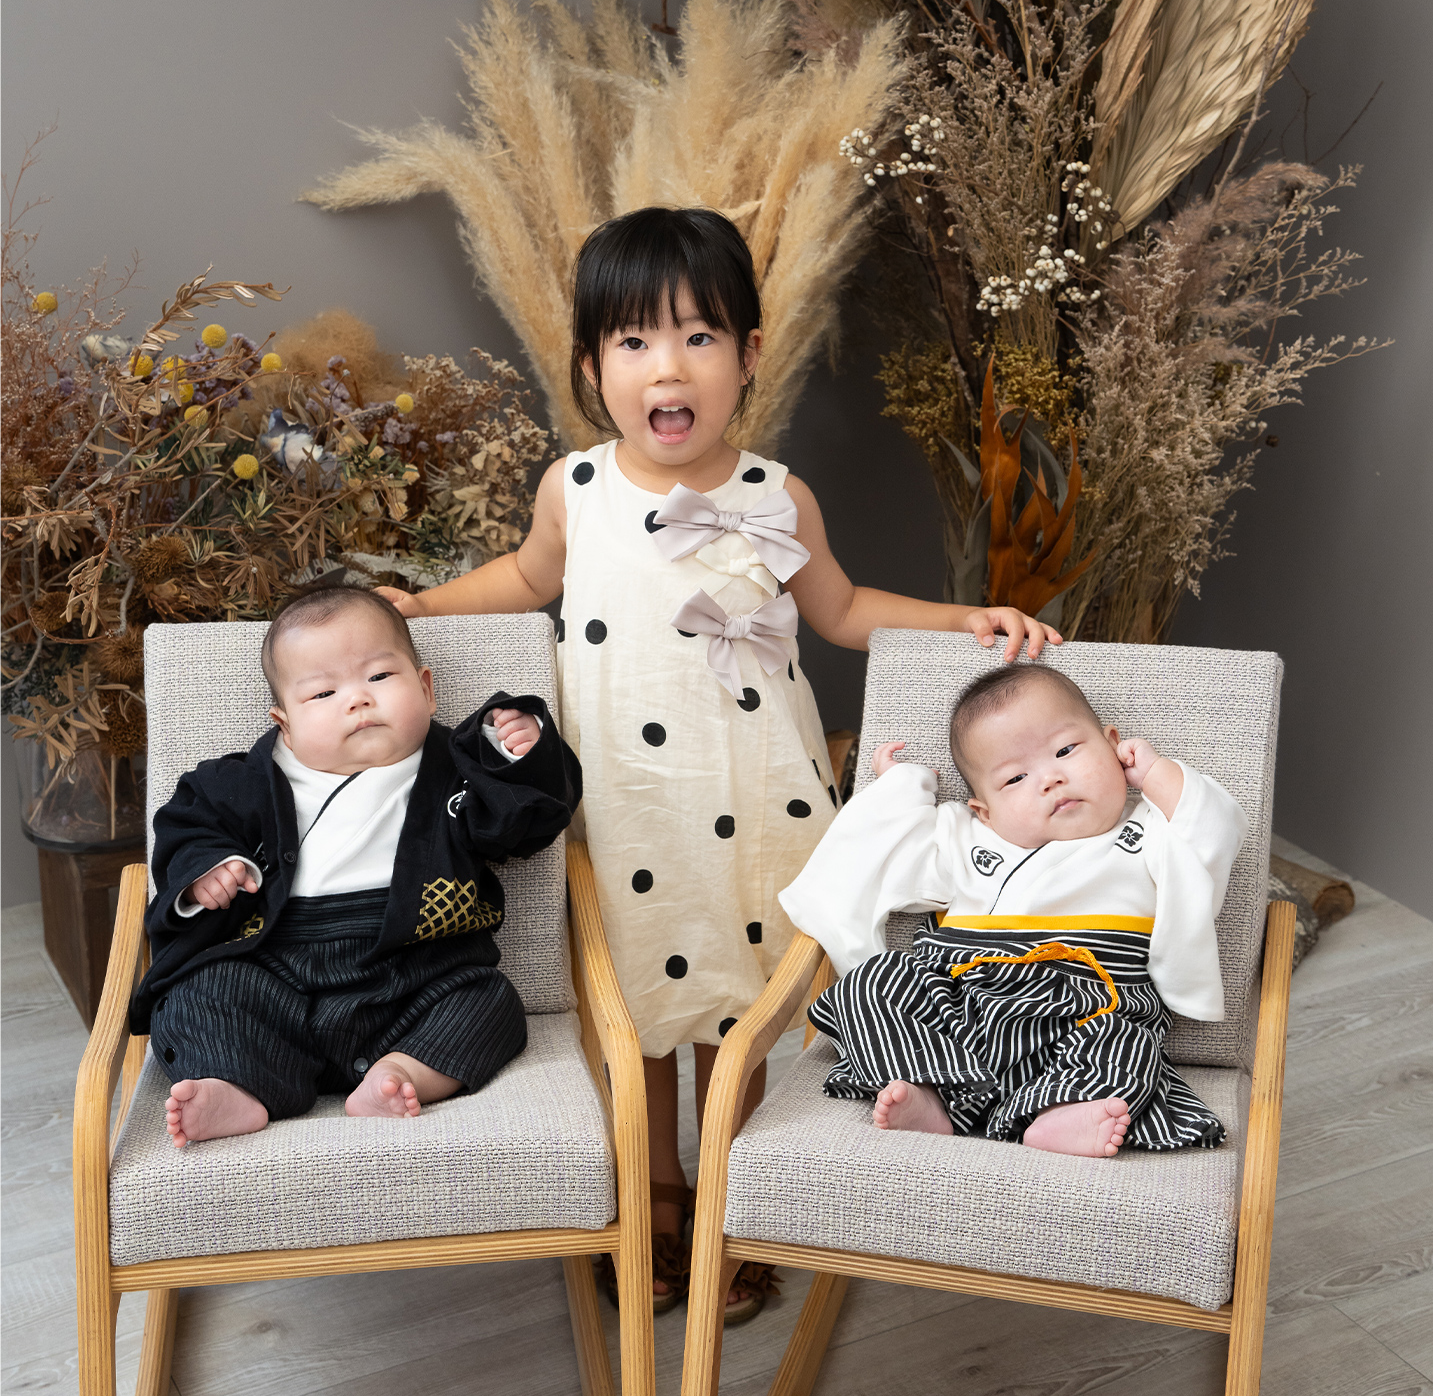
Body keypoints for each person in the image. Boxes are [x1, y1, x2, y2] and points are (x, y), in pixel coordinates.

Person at [376, 204, 1058, 1315]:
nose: (667, 366)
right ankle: (652, 1195)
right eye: (634, 341)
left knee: (737, 1004)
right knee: (642, 1000)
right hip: (626, 801)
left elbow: (840, 609)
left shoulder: (774, 496)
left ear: (747, 355)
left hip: (751, 790)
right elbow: (524, 578)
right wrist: (422, 607)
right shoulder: (576, 490)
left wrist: (961, 617)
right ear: (592, 366)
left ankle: (731, 1198)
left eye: (698, 336)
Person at [131, 583, 580, 1147]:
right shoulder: (238, 784)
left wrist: (521, 758)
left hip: (416, 970)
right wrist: (208, 870)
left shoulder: (459, 772)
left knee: (490, 1001)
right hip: (274, 968)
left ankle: (401, 1072)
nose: (358, 700)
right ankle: (236, 1085)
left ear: (426, 689)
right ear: (284, 722)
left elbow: (526, 825)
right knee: (196, 996)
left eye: (380, 676)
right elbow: (186, 826)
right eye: (323, 693)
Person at [781, 660, 1248, 1158]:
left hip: (1087, 1006)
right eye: (1015, 778)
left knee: (1128, 1042)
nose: (1051, 778)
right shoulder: (966, 836)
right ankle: (932, 1094)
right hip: (962, 1009)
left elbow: (1212, 831)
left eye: (1066, 750)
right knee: (871, 984)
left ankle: (1059, 1111)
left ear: (1113, 745)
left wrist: (1156, 774)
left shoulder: (1147, 833)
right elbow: (884, 854)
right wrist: (898, 791)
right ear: (983, 810)